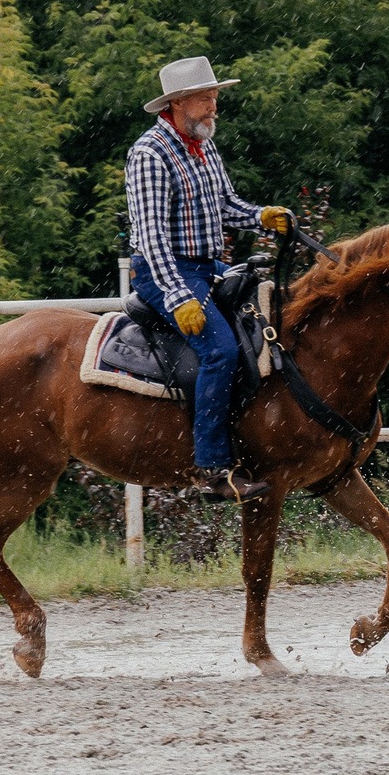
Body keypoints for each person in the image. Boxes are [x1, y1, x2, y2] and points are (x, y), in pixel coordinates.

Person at [124, 56, 293, 501]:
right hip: (163, 271)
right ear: (177, 103)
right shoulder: (150, 153)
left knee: (276, 315)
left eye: (215, 97)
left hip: (207, 267)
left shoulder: (203, 145)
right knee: (219, 351)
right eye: (204, 98)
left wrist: (262, 217)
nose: (214, 106)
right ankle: (213, 469)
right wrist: (178, 295)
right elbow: (152, 237)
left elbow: (226, 206)